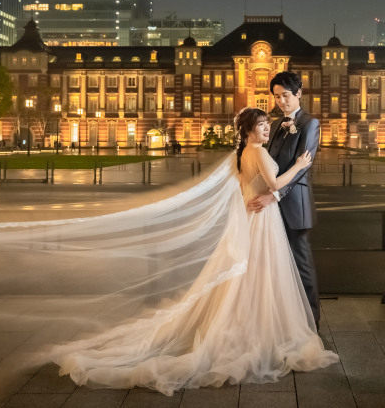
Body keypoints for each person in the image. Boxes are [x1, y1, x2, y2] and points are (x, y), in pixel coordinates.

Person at [52, 106, 338, 393]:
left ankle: (247, 324)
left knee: (247, 276)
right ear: (249, 130)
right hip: (263, 219)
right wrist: (299, 166)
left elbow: (243, 190)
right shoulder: (260, 153)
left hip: (253, 216)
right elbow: (274, 184)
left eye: (266, 125)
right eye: (261, 125)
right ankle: (262, 329)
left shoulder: (243, 154)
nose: (267, 129)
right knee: (262, 273)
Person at [248, 71, 322, 329]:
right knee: (278, 265)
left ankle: (312, 322)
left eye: (285, 95)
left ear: (299, 93)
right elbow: (269, 165)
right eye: (277, 96)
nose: (281, 101)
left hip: (294, 206)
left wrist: (274, 194)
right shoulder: (278, 124)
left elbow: (303, 167)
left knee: (302, 266)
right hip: (272, 207)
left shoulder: (310, 124)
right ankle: (286, 320)